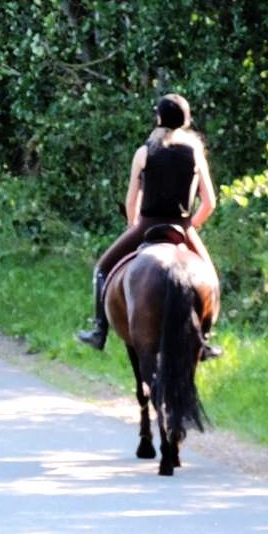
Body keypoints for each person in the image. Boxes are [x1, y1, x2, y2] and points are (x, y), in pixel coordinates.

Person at [76, 93, 221, 359]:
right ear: (186, 120)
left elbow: (132, 202)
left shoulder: (144, 152)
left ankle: (99, 331)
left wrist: (134, 227)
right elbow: (209, 203)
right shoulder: (195, 153)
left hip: (146, 225)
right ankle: (206, 340)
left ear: (158, 118)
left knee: (102, 269)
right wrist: (191, 226)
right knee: (210, 278)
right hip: (183, 226)